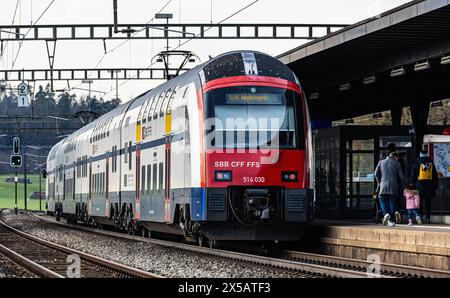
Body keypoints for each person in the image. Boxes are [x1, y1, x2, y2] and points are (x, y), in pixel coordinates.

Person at [374, 151, 405, 227]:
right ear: (395, 157)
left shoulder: (381, 162)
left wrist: (379, 181)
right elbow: (401, 177)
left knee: (382, 200)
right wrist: (404, 186)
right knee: (392, 202)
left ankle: (386, 214)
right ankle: (392, 221)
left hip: (383, 185)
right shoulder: (397, 164)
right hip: (393, 187)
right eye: (397, 158)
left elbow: (375, 173)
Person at [411, 149, 438, 224]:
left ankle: (420, 217)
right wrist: (435, 187)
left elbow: (413, 177)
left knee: (419, 202)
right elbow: (435, 176)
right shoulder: (431, 163)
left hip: (419, 186)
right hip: (429, 186)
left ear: (420, 155)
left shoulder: (417, 163)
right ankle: (428, 218)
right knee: (428, 203)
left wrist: (413, 186)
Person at [386, 143, 402, 224]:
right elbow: (401, 174)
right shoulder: (398, 158)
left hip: (385, 183)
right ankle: (397, 212)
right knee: (395, 200)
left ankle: (390, 216)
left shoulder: (385, 159)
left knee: (388, 200)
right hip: (396, 183)